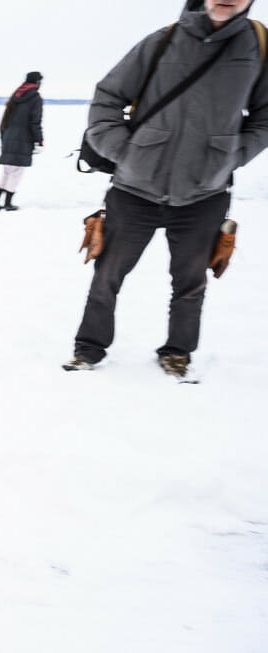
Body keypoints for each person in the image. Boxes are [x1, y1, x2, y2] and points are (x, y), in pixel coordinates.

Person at [64, 0, 268, 379]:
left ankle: (177, 353)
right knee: (108, 275)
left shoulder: (258, 48)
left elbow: (265, 115)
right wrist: (126, 153)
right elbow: (107, 98)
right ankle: (88, 349)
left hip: (203, 193)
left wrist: (234, 155)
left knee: (191, 283)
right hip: (133, 189)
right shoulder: (161, 41)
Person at [0, 71, 43, 211]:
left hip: (8, 137)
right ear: (37, 82)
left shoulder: (15, 96)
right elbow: (35, 122)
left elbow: (4, 121)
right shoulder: (35, 98)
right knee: (16, 172)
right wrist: (39, 141)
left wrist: (4, 139)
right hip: (23, 139)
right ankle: (8, 203)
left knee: (7, 171)